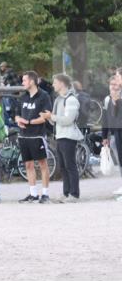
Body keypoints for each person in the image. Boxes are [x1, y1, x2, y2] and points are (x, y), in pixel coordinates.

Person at [15, 71, 53, 204]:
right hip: (24, 135)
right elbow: (17, 114)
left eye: (24, 80)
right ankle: (33, 194)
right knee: (28, 164)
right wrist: (19, 120)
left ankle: (45, 194)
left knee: (42, 164)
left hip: (37, 135)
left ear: (31, 81)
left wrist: (29, 122)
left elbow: (45, 117)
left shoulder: (44, 96)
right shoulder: (23, 97)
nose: (22, 83)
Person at [49, 73, 82, 202]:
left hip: (69, 136)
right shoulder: (58, 99)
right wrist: (49, 117)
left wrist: (52, 117)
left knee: (70, 165)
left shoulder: (71, 99)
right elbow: (54, 120)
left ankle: (74, 194)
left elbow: (68, 120)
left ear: (62, 83)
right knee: (62, 166)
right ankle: (66, 192)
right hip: (60, 135)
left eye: (55, 82)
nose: (53, 85)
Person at [104, 69, 122, 200]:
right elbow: (108, 118)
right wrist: (105, 136)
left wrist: (117, 102)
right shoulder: (108, 99)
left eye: (117, 77)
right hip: (116, 132)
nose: (115, 82)